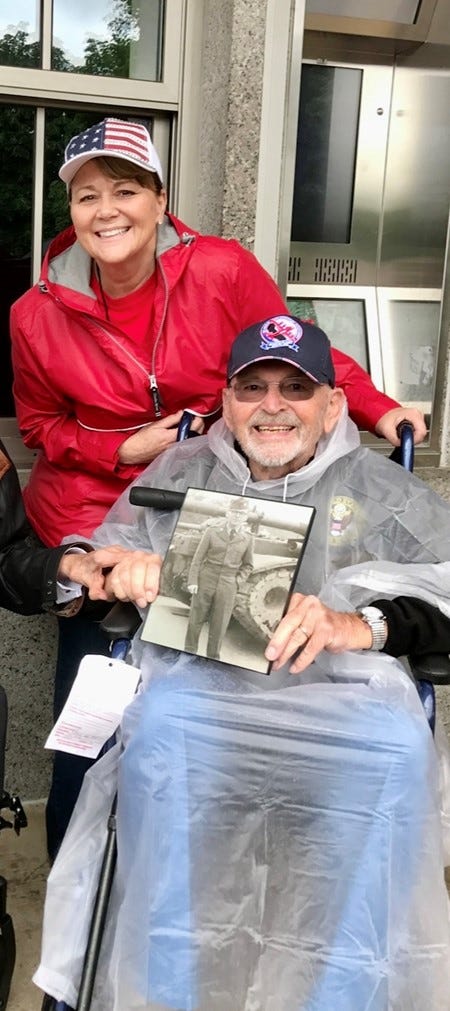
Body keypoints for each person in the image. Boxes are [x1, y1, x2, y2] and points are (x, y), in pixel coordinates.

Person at [9, 116, 428, 855]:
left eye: (127, 189)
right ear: (69, 211)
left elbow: (294, 352)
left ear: (160, 198)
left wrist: (378, 407)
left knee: (213, 710)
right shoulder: (35, 313)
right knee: (92, 727)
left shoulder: (221, 270)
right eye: (86, 195)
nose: (106, 210)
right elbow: (40, 425)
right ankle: (79, 909)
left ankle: (215, 873)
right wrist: (123, 447)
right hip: (100, 526)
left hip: (220, 504)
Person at [35, 316, 450, 1011]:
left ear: (333, 405)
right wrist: (127, 572)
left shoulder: (381, 488)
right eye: (252, 387)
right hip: (197, 693)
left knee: (398, 744)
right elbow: (96, 553)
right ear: (226, 403)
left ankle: (348, 989)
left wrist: (361, 623)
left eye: (297, 387)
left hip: (345, 701)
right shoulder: (183, 469)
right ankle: (167, 988)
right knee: (156, 731)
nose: (273, 405)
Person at [0, 439, 130, 616]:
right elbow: (38, 425)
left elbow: (4, 556)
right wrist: (116, 450)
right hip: (71, 506)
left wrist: (65, 567)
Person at [184, 497, 254, 659]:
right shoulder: (212, 532)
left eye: (241, 514)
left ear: (245, 517)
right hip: (206, 578)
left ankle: (213, 658)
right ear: (228, 513)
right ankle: (187, 653)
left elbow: (248, 565)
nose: (237, 516)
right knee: (196, 619)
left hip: (228, 584)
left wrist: (237, 582)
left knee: (220, 624)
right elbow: (198, 558)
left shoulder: (248, 538)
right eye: (235, 512)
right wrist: (193, 581)